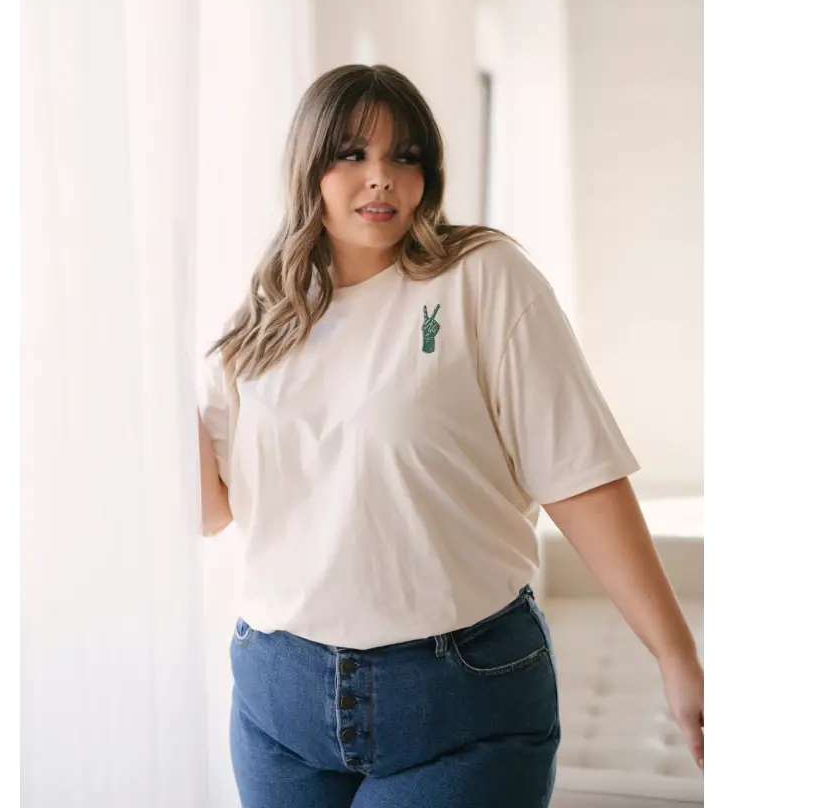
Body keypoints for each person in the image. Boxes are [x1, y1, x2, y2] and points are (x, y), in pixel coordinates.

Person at [197, 64, 705, 807]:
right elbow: (211, 509)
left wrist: (675, 654)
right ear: (308, 167)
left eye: (404, 156)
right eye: (352, 154)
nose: (381, 179)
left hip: (460, 697)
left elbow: (580, 476)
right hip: (279, 700)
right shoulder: (268, 312)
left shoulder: (481, 279)